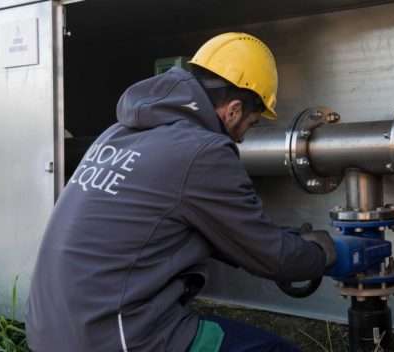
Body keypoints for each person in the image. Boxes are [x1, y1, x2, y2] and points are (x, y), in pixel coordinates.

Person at [25, 32, 336, 352]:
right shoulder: (203, 151)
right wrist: (325, 254)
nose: (242, 139)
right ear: (233, 109)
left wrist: (288, 238)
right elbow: (271, 256)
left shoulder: (118, 134)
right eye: (251, 124)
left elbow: (221, 235)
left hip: (51, 332)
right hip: (112, 338)